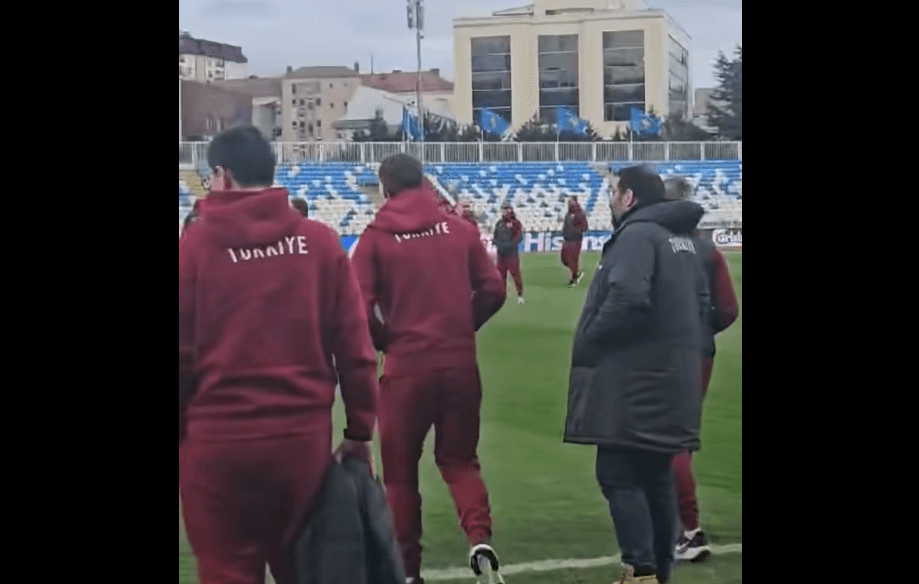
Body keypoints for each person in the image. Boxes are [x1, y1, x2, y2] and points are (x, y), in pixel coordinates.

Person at [179, 126, 380, 584]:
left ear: (223, 175)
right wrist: (359, 430)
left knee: (227, 571)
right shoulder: (320, 242)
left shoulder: (193, 249)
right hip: (301, 445)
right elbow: (355, 348)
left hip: (218, 446)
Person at [350, 153, 507, 584]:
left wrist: (387, 341)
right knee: (461, 461)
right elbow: (493, 289)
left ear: (385, 188)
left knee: (400, 479)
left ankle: (408, 572)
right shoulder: (458, 229)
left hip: (406, 370)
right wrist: (463, 327)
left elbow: (357, 309)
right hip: (459, 364)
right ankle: (478, 536)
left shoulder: (375, 239)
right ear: (423, 183)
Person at [563, 165, 710, 584]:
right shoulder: (684, 240)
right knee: (656, 474)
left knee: (617, 473)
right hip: (672, 378)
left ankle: (641, 570)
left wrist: (591, 336)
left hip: (635, 382)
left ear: (628, 197)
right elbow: (704, 305)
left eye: (614, 192)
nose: (611, 200)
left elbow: (627, 298)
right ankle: (658, 569)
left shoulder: (637, 235)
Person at [663, 177, 739, 563]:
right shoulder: (709, 251)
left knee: (665, 439)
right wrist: (701, 330)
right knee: (679, 437)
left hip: (661, 355)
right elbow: (728, 309)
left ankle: (689, 531)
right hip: (700, 352)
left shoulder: (653, 246)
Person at [492, 203, 525, 304]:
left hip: (512, 254)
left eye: (507, 209)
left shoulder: (516, 223)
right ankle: (503, 295)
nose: (506, 211)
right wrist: (497, 244)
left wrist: (510, 244)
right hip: (501, 254)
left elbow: (520, 237)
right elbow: (495, 236)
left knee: (515, 274)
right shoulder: (499, 223)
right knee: (501, 276)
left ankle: (520, 295)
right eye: (504, 209)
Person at [561, 196, 589, 287]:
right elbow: (565, 225)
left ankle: (574, 278)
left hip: (576, 239)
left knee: (573, 259)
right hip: (567, 239)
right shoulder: (568, 214)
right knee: (564, 258)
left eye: (571, 201)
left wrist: (576, 231)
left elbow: (585, 227)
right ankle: (576, 274)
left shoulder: (580, 214)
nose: (569, 203)